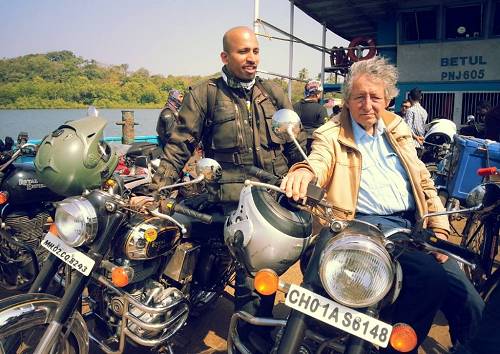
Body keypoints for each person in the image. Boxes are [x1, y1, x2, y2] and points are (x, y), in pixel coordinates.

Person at [281, 56, 483, 353]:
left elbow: (424, 181)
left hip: (413, 229)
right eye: (359, 96)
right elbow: (318, 161)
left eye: (375, 97)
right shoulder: (331, 134)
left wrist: (439, 228)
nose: (367, 104)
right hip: (360, 227)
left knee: (471, 302)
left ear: (388, 98)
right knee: (429, 278)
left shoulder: (398, 129)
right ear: (347, 99)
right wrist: (303, 171)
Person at [151, 26, 305, 350]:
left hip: (271, 195)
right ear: (225, 56)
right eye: (242, 52)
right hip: (228, 194)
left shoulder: (274, 93)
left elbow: (296, 147)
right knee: (172, 233)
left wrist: (303, 173)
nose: (251, 58)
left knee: (259, 271)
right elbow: (180, 145)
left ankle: (249, 340)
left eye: (255, 51)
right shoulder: (205, 93)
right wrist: (157, 189)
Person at [293, 80, 328, 153]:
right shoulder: (321, 109)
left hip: (296, 146)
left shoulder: (294, 106)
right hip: (314, 148)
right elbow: (325, 130)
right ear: (317, 94)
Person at [405, 87, 427, 153]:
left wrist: (415, 137)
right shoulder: (424, 111)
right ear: (421, 98)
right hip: (421, 143)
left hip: (412, 143)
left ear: (410, 98)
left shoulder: (410, 110)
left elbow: (408, 128)